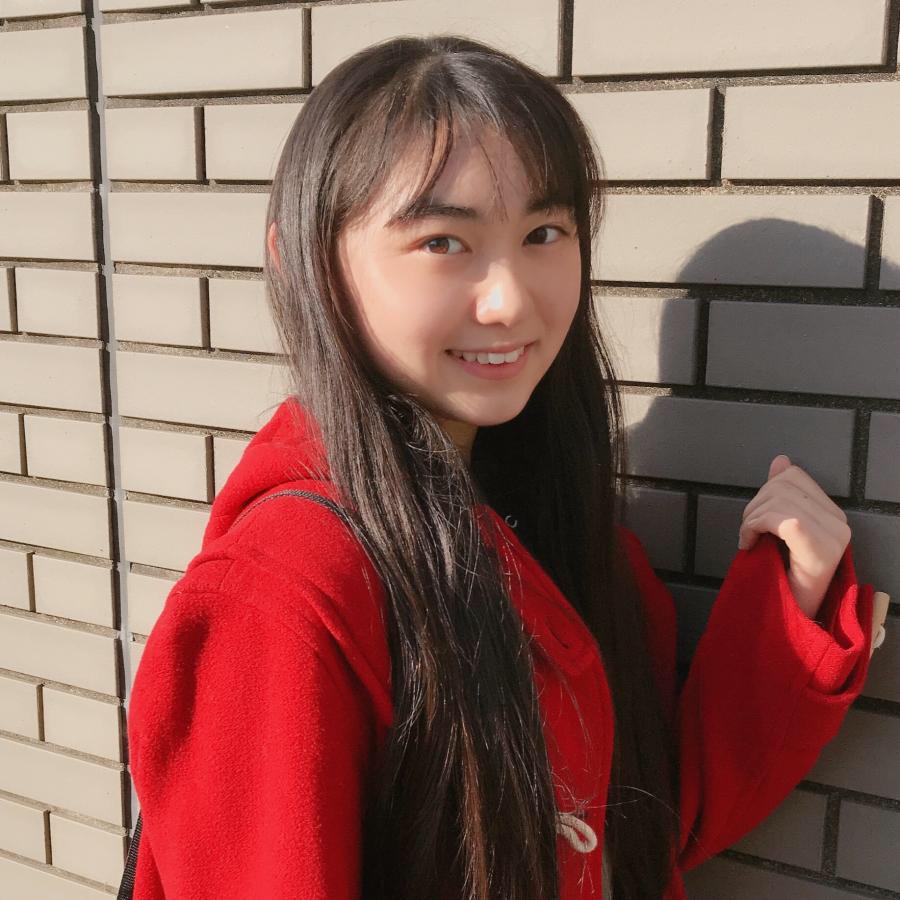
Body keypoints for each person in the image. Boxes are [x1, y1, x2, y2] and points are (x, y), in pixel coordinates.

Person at [124, 35, 877, 900]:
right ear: (303, 264)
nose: (512, 299)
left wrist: (788, 611)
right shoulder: (287, 593)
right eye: (444, 241)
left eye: (544, 233)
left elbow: (638, 829)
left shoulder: (549, 528)